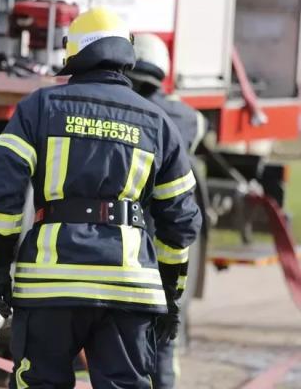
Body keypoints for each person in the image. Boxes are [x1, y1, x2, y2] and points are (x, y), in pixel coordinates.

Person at [0, 8, 201, 388]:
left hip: (50, 284)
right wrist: (170, 292)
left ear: (74, 52)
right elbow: (180, 222)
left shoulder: (39, 107)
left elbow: (3, 194)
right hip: (129, 286)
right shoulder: (158, 123)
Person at [127, 32, 208, 389]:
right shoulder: (188, 117)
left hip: (124, 240)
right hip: (167, 242)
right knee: (163, 332)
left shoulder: (121, 106)